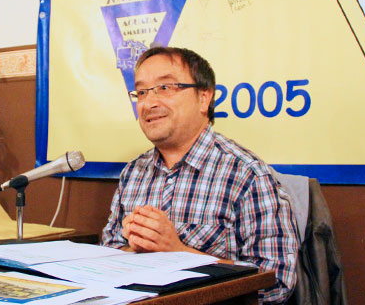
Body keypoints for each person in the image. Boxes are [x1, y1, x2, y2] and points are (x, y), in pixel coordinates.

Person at [101, 47, 299, 304]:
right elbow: (108, 252)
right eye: (141, 92)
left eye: (165, 88)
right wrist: (133, 249)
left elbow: (277, 283)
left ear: (204, 98)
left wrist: (179, 252)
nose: (149, 103)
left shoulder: (246, 175)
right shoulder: (133, 173)